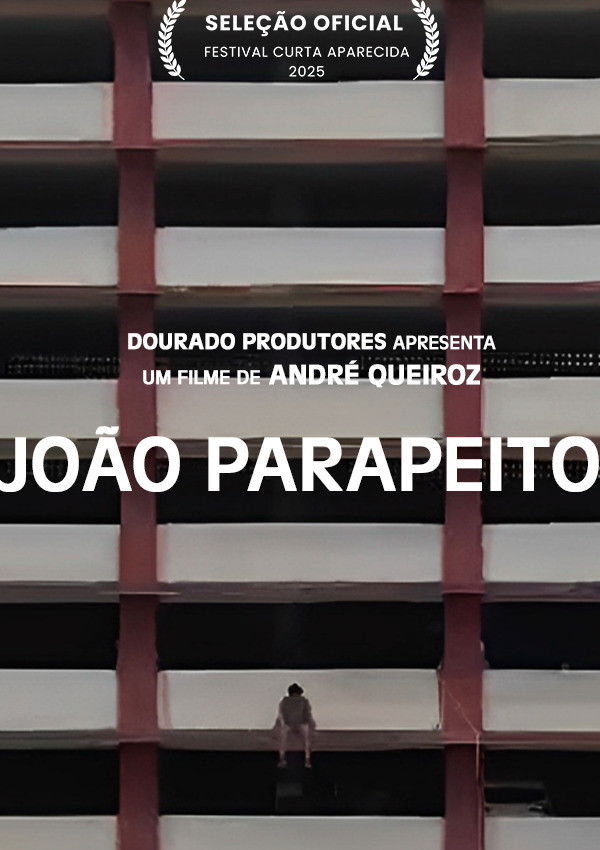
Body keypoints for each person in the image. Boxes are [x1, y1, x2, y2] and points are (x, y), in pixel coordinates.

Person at [276, 683, 316, 769]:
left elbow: (281, 714)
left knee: (283, 740)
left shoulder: (287, 700)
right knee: (306, 740)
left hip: (292, 724)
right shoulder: (302, 700)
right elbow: (308, 714)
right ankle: (307, 760)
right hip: (297, 724)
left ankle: (282, 759)